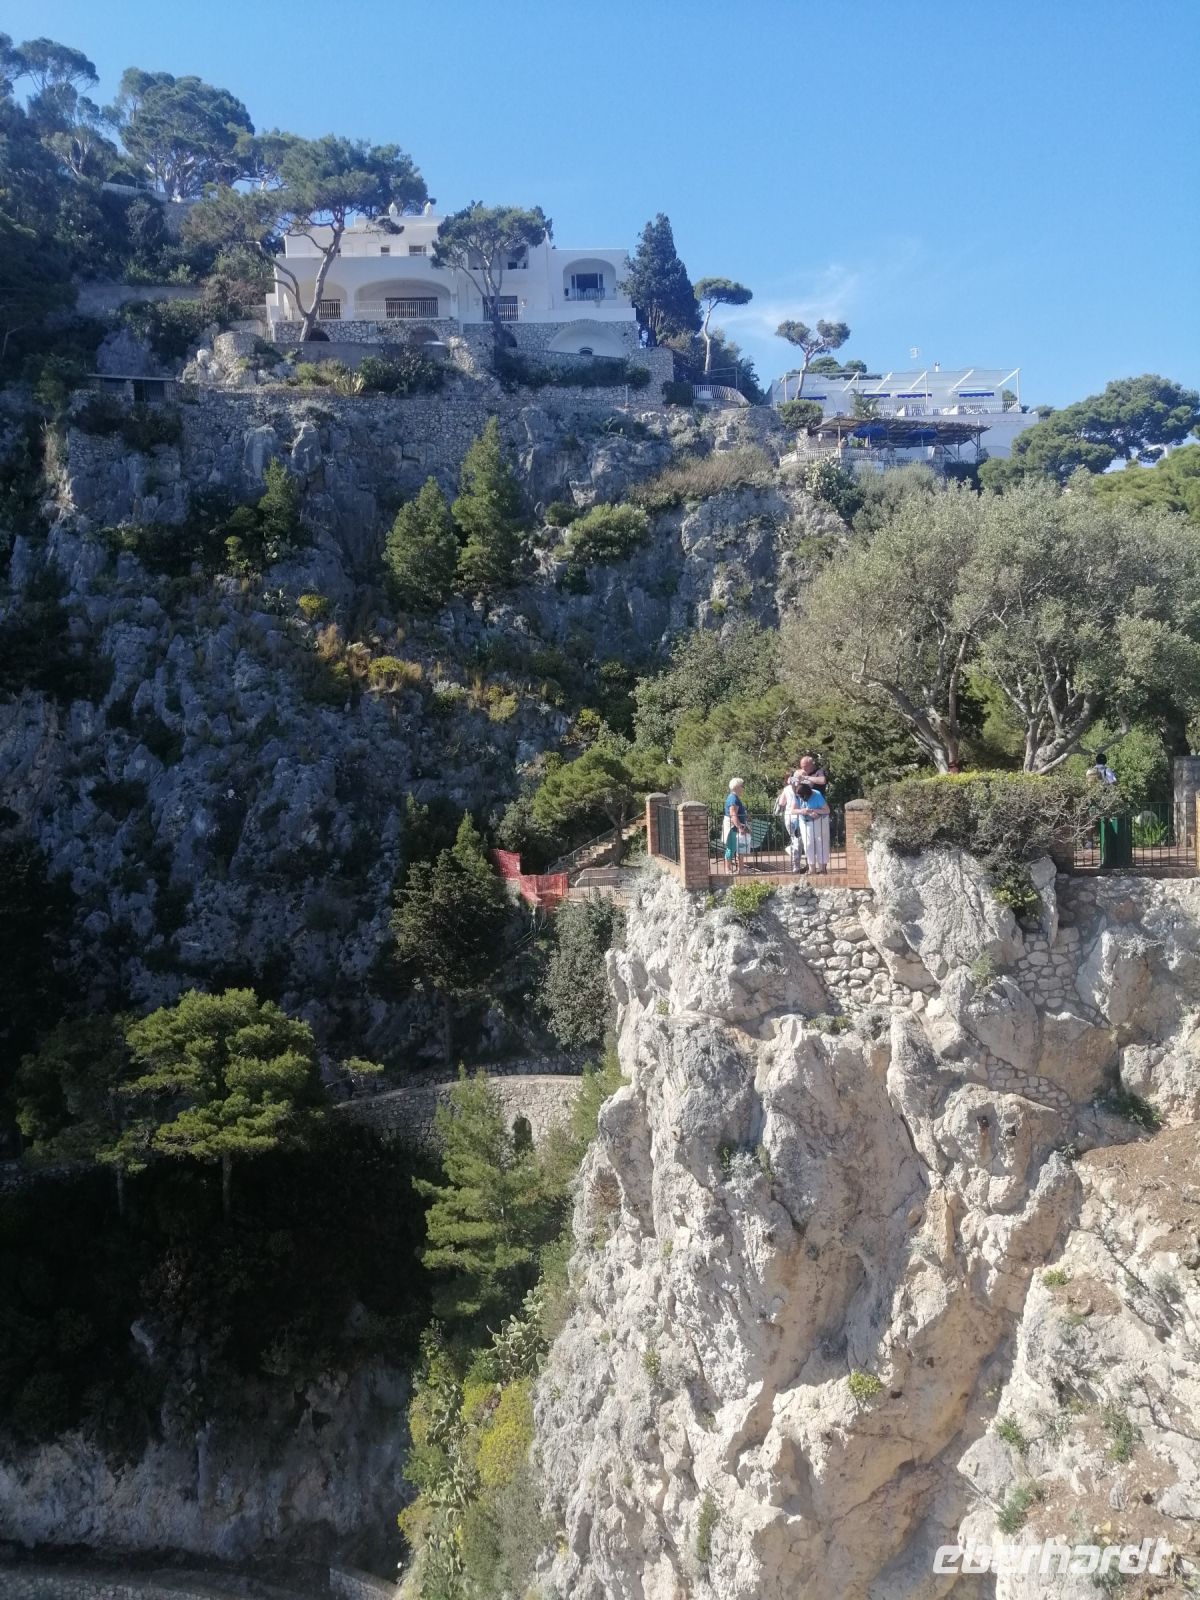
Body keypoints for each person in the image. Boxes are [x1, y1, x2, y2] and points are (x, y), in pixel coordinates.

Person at [795, 782, 831, 875]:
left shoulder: (817, 794)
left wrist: (814, 810)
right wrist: (802, 811)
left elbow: (827, 810)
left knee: (821, 842)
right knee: (808, 844)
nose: (801, 798)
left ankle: (823, 869)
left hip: (820, 821)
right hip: (805, 821)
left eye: (803, 796)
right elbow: (793, 809)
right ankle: (812, 870)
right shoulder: (798, 795)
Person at [774, 772, 804, 873]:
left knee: (796, 840)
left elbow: (782, 802)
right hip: (797, 816)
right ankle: (796, 864)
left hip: (788, 817)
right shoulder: (801, 787)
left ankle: (796, 864)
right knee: (798, 841)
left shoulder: (786, 789)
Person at [723, 778, 749, 875]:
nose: (743, 788)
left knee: (738, 848)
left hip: (735, 826)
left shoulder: (734, 798)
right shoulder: (733, 798)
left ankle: (740, 869)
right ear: (737, 787)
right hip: (733, 827)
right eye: (742, 786)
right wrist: (739, 827)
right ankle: (728, 869)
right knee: (731, 847)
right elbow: (733, 814)